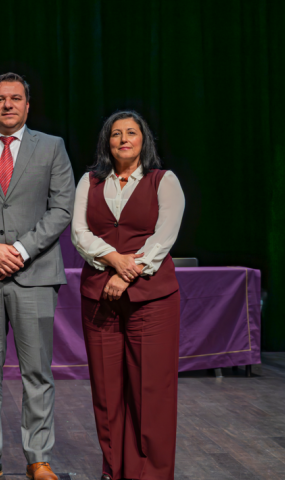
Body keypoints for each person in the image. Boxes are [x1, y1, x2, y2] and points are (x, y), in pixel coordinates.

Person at [0, 73, 75, 480]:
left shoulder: (52, 147)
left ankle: (38, 458)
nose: (8, 105)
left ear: (27, 105)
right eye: (0, 99)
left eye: (16, 98)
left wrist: (19, 251)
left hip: (35, 275)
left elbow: (62, 208)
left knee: (37, 373)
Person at [71, 110, 185, 480]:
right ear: (107, 142)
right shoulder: (89, 181)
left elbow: (164, 236)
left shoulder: (163, 181)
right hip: (99, 297)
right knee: (107, 392)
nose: (124, 139)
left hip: (152, 299)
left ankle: (150, 473)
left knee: (150, 390)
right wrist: (114, 260)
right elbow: (79, 233)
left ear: (143, 139)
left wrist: (127, 272)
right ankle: (114, 469)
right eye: (116, 133)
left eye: (131, 132)